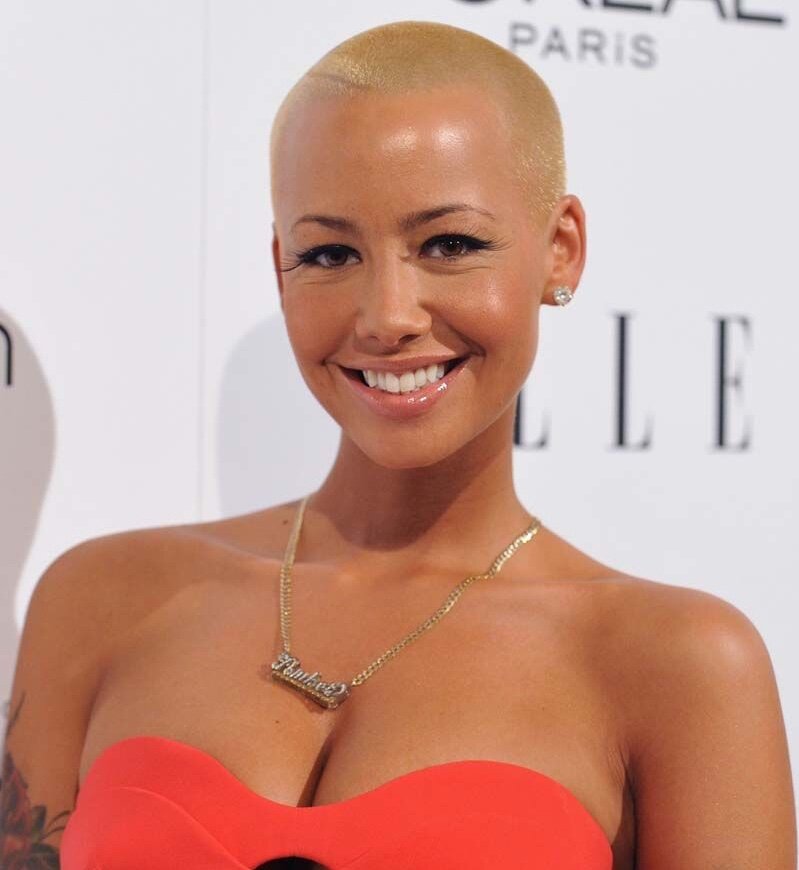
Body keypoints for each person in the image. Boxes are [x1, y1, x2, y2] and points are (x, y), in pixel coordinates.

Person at [2, 19, 795, 870]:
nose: (387, 316)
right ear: (280, 266)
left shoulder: (678, 665)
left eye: (450, 245)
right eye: (328, 253)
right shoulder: (101, 601)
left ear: (559, 250)